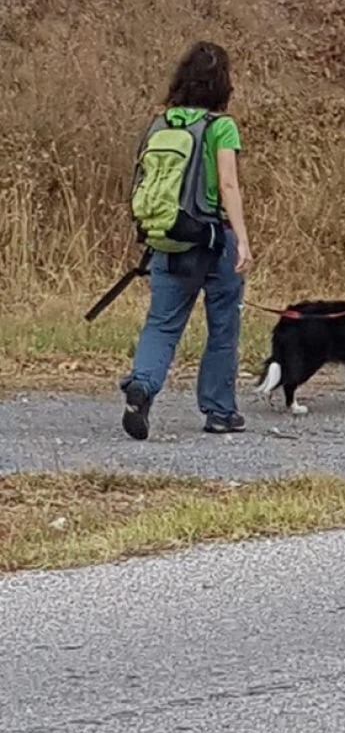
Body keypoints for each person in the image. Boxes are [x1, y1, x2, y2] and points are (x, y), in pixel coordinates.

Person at [120, 41, 254, 440]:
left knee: (162, 323)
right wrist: (242, 240)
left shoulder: (160, 124)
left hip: (169, 236)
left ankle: (142, 385)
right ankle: (219, 411)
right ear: (223, 84)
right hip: (214, 237)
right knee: (223, 326)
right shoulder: (221, 126)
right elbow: (228, 185)